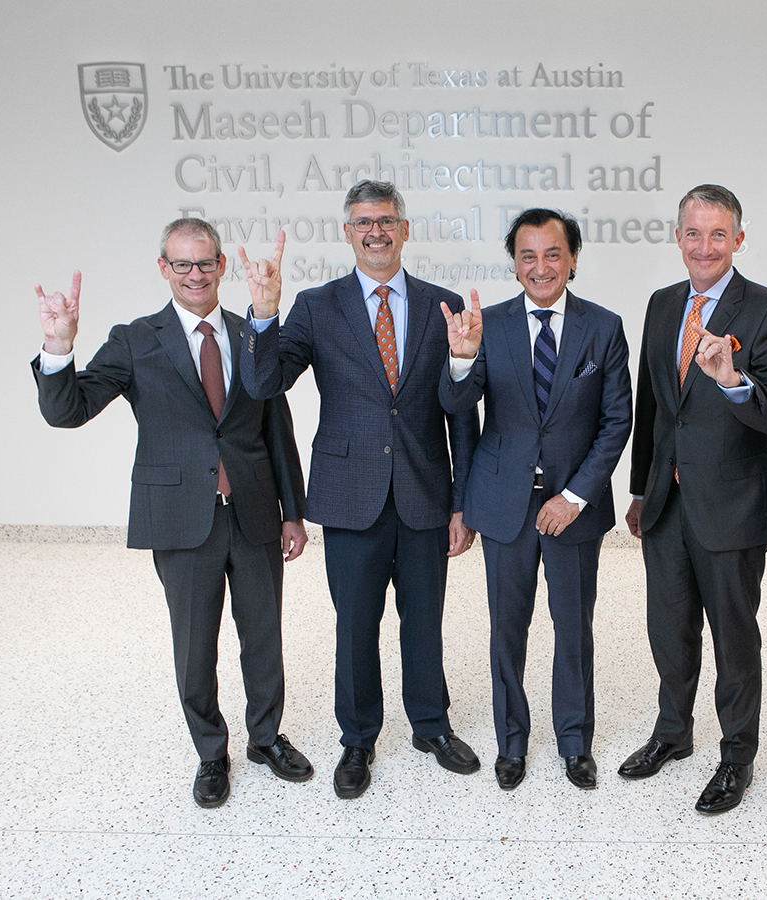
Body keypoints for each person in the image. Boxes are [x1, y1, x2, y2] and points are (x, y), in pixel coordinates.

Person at [31, 217, 312, 809]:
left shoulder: (250, 332)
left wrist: (293, 510)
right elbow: (70, 410)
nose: (194, 274)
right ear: (163, 268)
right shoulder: (136, 339)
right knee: (195, 645)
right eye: (181, 264)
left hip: (255, 511)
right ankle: (212, 751)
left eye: (205, 262)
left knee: (264, 636)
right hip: (183, 520)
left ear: (221, 267)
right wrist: (59, 348)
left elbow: (275, 428)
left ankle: (265, 737)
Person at [239, 180, 481, 800]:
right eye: (362, 222)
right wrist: (264, 313)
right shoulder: (317, 307)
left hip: (426, 492)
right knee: (356, 624)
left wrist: (463, 501)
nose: (375, 230)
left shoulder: (443, 305)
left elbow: (460, 411)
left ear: (404, 229)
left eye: (386, 220)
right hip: (350, 493)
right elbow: (267, 382)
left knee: (425, 617)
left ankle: (430, 726)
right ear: (348, 233)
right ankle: (358, 738)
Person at [438, 209, 633, 791]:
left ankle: (575, 743)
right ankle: (511, 743)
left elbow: (616, 420)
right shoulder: (486, 324)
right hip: (504, 505)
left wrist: (574, 495)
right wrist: (462, 358)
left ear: (573, 259)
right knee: (507, 628)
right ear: (514, 263)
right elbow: (456, 407)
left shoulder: (603, 326)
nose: (541, 266)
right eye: (528, 256)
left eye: (553, 254)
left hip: (573, 506)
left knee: (574, 627)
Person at [619, 184, 767, 815]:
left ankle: (736, 757)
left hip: (732, 505)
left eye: (718, 234)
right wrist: (641, 489)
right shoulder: (663, 305)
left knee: (732, 637)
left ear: (739, 240)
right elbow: (652, 407)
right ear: (678, 237)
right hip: (667, 502)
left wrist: (734, 381)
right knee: (669, 630)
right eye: (693, 233)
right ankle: (672, 734)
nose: (704, 246)